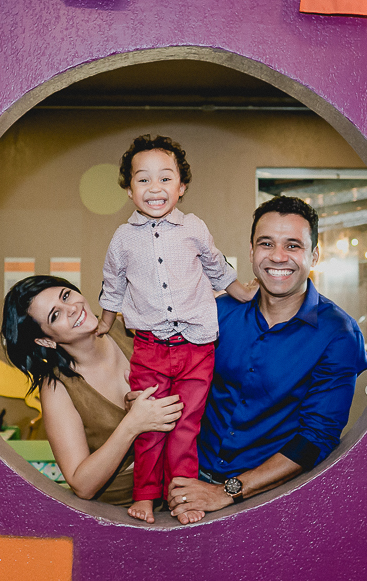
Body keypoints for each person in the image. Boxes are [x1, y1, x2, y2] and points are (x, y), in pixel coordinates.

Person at [165, 196, 367, 519]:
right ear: (251, 252)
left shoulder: (338, 333)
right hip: (189, 481)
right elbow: (177, 376)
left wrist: (226, 491)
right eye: (266, 243)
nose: (278, 256)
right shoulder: (217, 312)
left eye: (293, 245)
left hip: (270, 497)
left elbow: (315, 439)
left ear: (314, 255)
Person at [96, 135, 257, 524]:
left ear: (181, 187)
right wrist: (105, 321)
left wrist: (240, 291)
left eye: (165, 178)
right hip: (149, 349)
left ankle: (183, 495)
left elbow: (216, 265)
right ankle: (145, 495)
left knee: (186, 426)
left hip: (196, 348)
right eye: (144, 179)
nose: (155, 188)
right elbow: (113, 284)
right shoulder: (123, 239)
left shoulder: (193, 227)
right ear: (129, 189)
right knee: (151, 425)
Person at [0, 275, 183, 507]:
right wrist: (133, 424)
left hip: (181, 487)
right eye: (55, 315)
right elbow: (82, 485)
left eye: (66, 295)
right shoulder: (57, 387)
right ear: (45, 341)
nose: (72, 309)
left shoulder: (130, 326)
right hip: (121, 509)